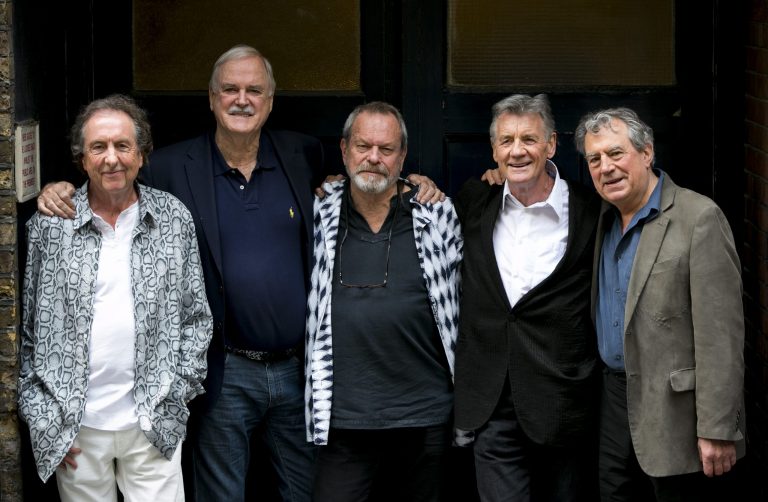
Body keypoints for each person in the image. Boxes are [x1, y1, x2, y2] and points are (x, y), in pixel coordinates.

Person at [37, 45, 443, 502]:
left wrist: (418, 183)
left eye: (255, 90)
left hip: (298, 370)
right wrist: (58, 188)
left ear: (270, 101)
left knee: (306, 491)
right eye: (230, 89)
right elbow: (111, 179)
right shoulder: (170, 167)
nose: (242, 99)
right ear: (211, 99)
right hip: (225, 371)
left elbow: (370, 177)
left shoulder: (301, 154)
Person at [19, 94, 212, 501]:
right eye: (98, 147)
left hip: (153, 423)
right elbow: (28, 332)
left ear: (142, 154)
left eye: (123, 146)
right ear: (81, 158)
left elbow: (197, 319)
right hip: (77, 428)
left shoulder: (173, 219)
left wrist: (174, 403)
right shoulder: (50, 226)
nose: (112, 159)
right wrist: (45, 420)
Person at [574, 107, 745, 501]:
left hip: (678, 415)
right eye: (595, 159)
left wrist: (717, 427)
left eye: (616, 154)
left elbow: (722, 336)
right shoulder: (601, 218)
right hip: (614, 403)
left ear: (647, 152)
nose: (606, 167)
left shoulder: (698, 218)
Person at [305, 102, 462, 502]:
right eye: (363, 146)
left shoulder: (436, 211)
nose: (373, 158)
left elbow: (468, 294)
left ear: (402, 156)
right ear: (344, 150)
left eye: (386, 149)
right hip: (343, 420)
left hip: (424, 416)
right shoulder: (318, 210)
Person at [454, 94, 601, 501]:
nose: (517, 151)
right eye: (506, 141)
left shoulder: (591, 214)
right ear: (494, 150)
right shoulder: (474, 201)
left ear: (551, 144)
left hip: (564, 404)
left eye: (529, 139)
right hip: (493, 401)